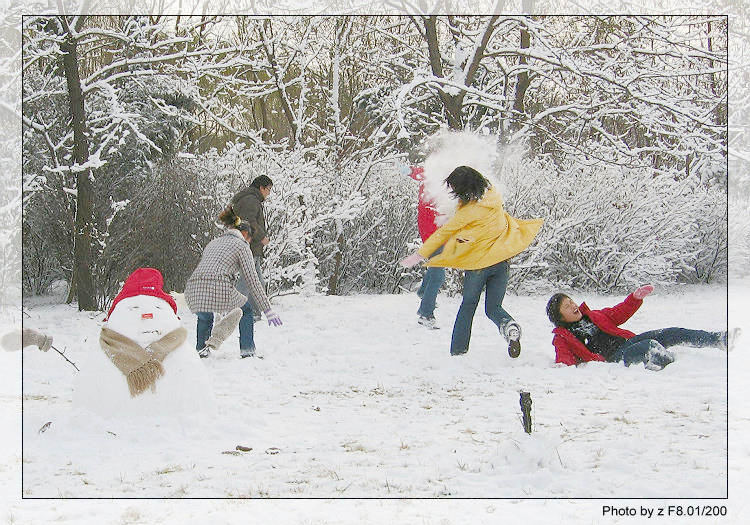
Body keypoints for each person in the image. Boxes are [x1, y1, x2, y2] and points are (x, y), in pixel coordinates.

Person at [400, 165, 543, 357]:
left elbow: (444, 232)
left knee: (468, 305)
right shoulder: (494, 194)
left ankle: (458, 351)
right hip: (501, 262)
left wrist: (420, 254)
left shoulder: (468, 212)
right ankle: (509, 326)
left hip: (479, 265)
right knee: (494, 308)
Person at [546, 285, 738, 370]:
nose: (573, 305)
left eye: (571, 301)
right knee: (649, 346)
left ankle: (719, 339)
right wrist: (562, 365)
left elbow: (618, 313)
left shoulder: (594, 315)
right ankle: (676, 368)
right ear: (559, 316)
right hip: (614, 358)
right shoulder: (563, 336)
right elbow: (564, 358)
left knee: (670, 333)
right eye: (566, 306)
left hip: (629, 342)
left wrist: (635, 298)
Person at [185, 206, 282, 359]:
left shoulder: (213, 243)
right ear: (245, 234)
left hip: (193, 288)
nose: (249, 243)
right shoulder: (241, 246)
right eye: (250, 239)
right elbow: (252, 280)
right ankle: (247, 351)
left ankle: (201, 350)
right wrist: (267, 309)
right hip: (218, 286)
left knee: (205, 315)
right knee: (246, 310)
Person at [402, 164, 446, 329]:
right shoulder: (433, 172)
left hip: (439, 230)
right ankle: (426, 314)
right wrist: (408, 170)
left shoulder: (447, 176)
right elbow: (417, 173)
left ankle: (423, 292)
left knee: (438, 273)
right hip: (434, 231)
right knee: (438, 273)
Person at [230, 175, 273, 321]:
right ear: (261, 187)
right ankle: (233, 311)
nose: (268, 193)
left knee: (257, 282)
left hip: (250, 246)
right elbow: (248, 222)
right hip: (248, 246)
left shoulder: (250, 199)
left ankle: (254, 312)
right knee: (247, 281)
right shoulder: (250, 200)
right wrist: (261, 236)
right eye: (268, 189)